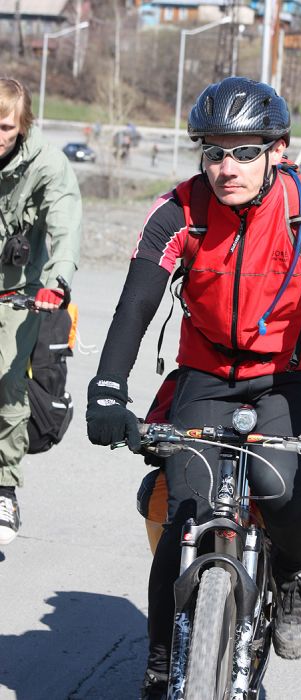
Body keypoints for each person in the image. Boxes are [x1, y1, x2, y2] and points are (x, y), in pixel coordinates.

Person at [86, 77, 301, 699]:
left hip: (291, 376)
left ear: (279, 150)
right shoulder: (179, 210)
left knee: (277, 486)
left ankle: (293, 578)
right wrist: (106, 389)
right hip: (208, 373)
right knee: (185, 513)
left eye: (245, 152)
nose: (227, 167)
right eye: (215, 152)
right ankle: (160, 664)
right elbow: (136, 301)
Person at [0, 77, 82, 545]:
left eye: (6, 127)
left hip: (20, 291)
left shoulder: (46, 163)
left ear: (23, 126)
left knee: (7, 378)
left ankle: (5, 488)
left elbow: (65, 221)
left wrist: (57, 280)